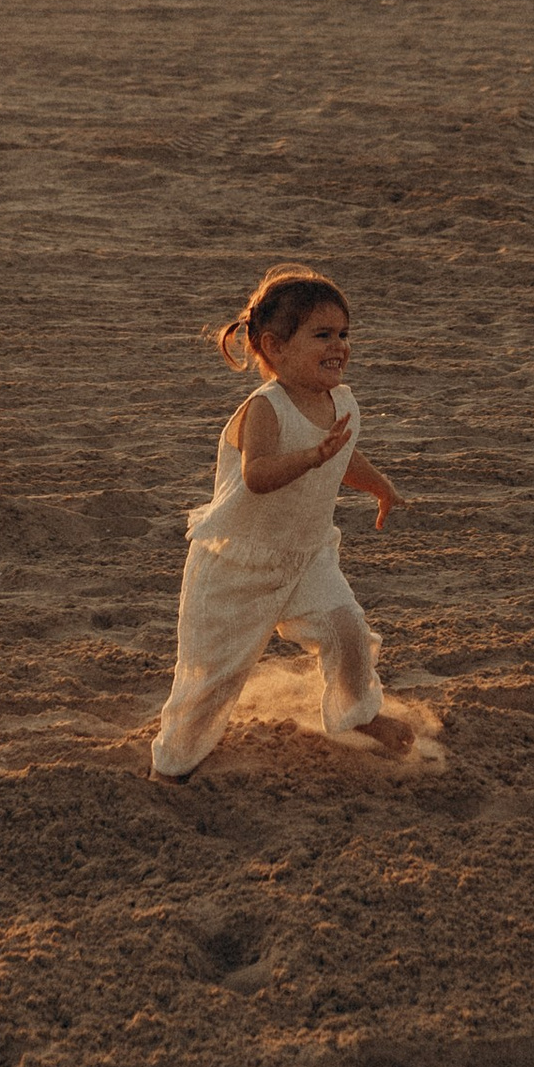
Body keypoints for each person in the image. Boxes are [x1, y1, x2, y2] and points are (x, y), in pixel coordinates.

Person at [151, 264, 410, 781]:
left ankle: (358, 713)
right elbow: (259, 476)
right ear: (274, 346)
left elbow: (344, 457)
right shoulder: (263, 409)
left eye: (344, 334)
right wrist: (312, 456)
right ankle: (172, 766)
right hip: (235, 564)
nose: (339, 345)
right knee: (211, 676)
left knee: (346, 627)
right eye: (322, 335)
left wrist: (378, 484)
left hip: (305, 554)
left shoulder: (343, 401)